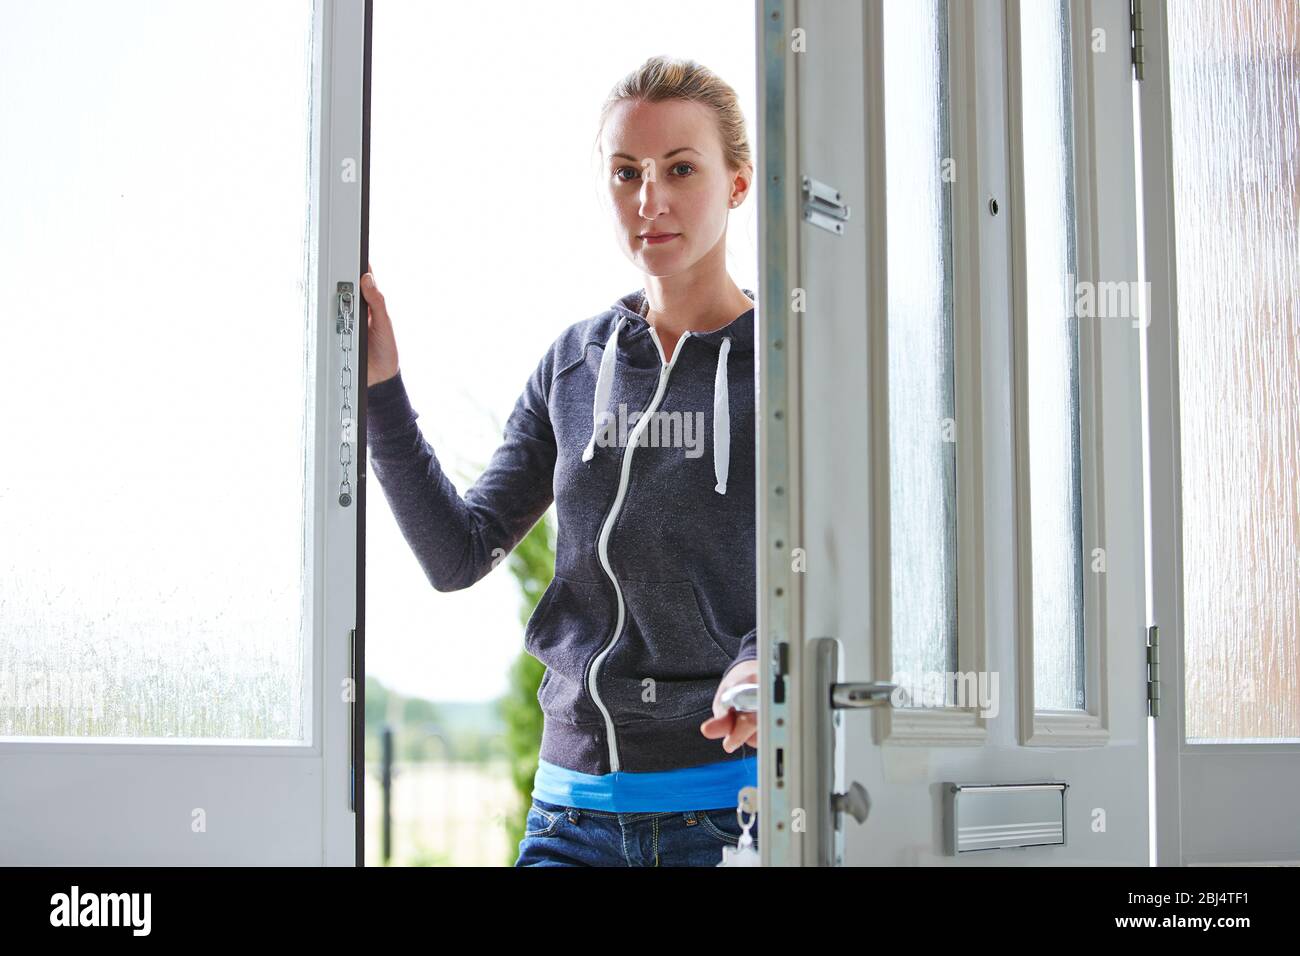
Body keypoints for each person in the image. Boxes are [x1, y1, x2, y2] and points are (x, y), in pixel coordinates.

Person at [363, 55, 760, 867]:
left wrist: (760, 663)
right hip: (569, 818)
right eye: (626, 172)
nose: (649, 199)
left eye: (680, 169)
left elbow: (829, 573)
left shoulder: (789, 368)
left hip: (727, 812)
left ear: (738, 184)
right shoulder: (575, 364)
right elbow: (458, 553)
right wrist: (380, 392)